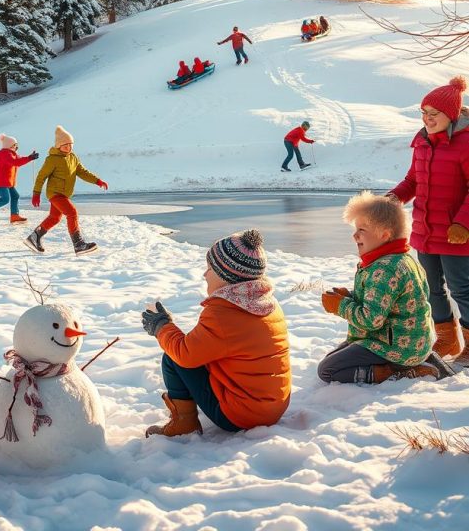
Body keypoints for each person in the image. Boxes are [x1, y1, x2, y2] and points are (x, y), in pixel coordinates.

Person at [141, 229, 290, 438]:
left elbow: (185, 354)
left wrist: (161, 327)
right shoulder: (268, 304)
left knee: (173, 358)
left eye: (209, 268)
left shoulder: (223, 313)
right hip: (273, 407)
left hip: (241, 417)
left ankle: (184, 424)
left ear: (225, 276)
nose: (204, 274)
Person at [318, 192, 452, 384]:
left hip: (396, 348)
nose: (354, 235)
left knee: (327, 370)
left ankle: (395, 371)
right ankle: (415, 361)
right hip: (410, 341)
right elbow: (383, 299)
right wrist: (350, 296)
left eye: (362, 229)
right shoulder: (399, 259)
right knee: (334, 357)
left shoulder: (386, 269)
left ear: (385, 234)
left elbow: (371, 320)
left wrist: (341, 306)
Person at [388, 76, 469, 364]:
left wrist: (463, 224)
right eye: (424, 113)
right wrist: (394, 198)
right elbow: (413, 180)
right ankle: (446, 338)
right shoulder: (422, 142)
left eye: (433, 114)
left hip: (456, 234)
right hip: (425, 230)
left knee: (462, 289)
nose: (427, 119)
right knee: (430, 288)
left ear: (451, 114)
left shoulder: (466, 143)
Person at [26, 125, 108, 256]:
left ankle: (34, 237)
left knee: (55, 218)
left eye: (70, 145)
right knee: (72, 213)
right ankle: (79, 244)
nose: (68, 148)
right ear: (59, 146)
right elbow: (41, 176)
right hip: (55, 193)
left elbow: (82, 172)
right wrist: (36, 193)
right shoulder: (52, 159)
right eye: (65, 145)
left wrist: (97, 181)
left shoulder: (73, 157)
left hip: (64, 194)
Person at [0, 134, 39, 226]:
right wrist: (29, 158)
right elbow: (16, 162)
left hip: (8, 182)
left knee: (15, 196)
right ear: (10, 145)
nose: (17, 147)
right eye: (15, 145)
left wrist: (30, 157)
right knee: (5, 199)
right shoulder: (5, 154)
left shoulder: (11, 154)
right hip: (2, 182)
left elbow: (19, 159)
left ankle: (14, 216)